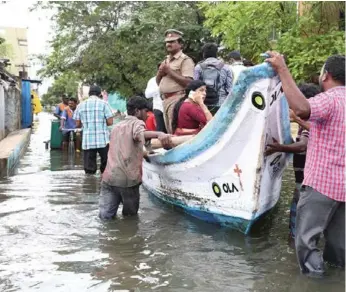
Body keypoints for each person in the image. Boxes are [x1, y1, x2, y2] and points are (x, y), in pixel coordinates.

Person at [266, 52, 345, 276]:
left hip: (321, 186)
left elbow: (302, 108)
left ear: (326, 75)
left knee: (306, 242)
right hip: (343, 189)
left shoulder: (329, 98)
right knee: (339, 246)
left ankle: (313, 284)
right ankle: (337, 282)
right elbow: (331, 132)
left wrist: (282, 69)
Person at [99, 96, 172, 219]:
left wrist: (144, 154)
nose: (148, 115)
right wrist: (159, 133)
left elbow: (123, 148)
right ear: (137, 111)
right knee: (130, 219)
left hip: (108, 178)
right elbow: (140, 134)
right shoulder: (137, 123)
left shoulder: (117, 126)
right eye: (145, 111)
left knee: (105, 218)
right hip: (127, 181)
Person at [265, 83, 320, 239]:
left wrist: (279, 147)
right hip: (308, 182)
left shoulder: (311, 124)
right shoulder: (313, 124)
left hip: (305, 183)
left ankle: (296, 251)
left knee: (297, 227)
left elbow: (303, 145)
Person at [156, 29, 195, 134]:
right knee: (170, 133)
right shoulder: (166, 60)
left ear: (180, 44)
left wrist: (169, 71)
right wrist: (160, 73)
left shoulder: (185, 60)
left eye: (172, 41)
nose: (169, 44)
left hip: (178, 100)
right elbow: (158, 82)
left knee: (176, 133)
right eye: (167, 42)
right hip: (165, 101)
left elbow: (189, 83)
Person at [73, 85, 113, 174]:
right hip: (103, 140)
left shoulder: (80, 105)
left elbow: (77, 124)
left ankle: (90, 185)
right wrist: (100, 123)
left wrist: (87, 123)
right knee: (106, 168)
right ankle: (103, 184)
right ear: (100, 94)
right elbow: (110, 122)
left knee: (89, 171)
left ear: (89, 93)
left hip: (88, 141)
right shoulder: (104, 104)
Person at [194, 43, 233, 115]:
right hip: (221, 104)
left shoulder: (198, 67)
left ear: (203, 54)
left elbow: (195, 87)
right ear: (216, 53)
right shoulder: (226, 68)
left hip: (203, 104)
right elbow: (229, 89)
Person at [145, 64, 166, 133]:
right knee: (161, 129)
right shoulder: (152, 81)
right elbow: (147, 95)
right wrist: (158, 89)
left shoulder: (171, 78)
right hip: (158, 107)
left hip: (170, 106)